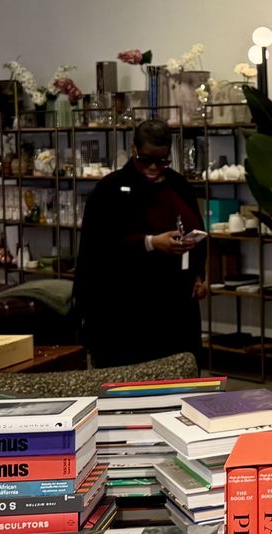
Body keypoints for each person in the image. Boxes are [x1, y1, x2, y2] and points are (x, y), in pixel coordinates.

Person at [74, 120, 207, 366]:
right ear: (134, 149)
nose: (155, 167)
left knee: (179, 381)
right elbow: (98, 248)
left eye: (163, 161)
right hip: (126, 309)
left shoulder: (179, 185)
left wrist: (199, 275)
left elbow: (197, 232)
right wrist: (150, 242)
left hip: (176, 308)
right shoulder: (110, 190)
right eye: (147, 160)